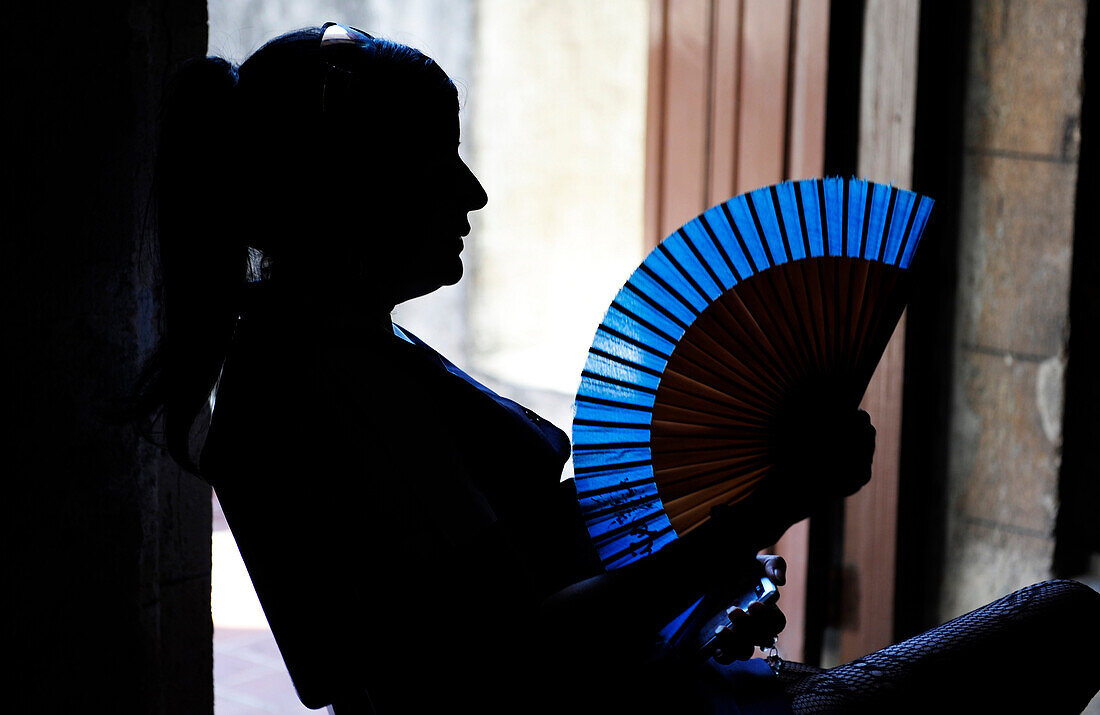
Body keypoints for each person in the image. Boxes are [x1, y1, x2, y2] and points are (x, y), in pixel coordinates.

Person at [136, 23, 1100, 714]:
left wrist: (753, 475)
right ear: (352, 194)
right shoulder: (337, 386)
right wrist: (760, 512)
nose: (472, 192)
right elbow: (520, 656)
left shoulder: (315, 347)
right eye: (439, 166)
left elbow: (503, 562)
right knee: (1066, 620)